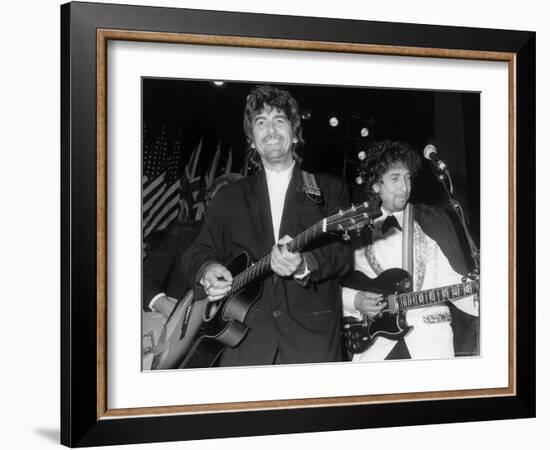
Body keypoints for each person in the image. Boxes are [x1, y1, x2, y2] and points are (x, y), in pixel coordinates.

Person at [181, 85, 351, 367]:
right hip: (242, 347)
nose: (270, 130)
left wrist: (304, 264)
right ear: (252, 139)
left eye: (279, 121)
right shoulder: (229, 196)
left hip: (311, 346)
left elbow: (343, 256)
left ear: (295, 134)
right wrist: (207, 270)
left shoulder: (329, 189)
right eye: (261, 122)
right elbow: (196, 251)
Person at [342, 140, 479, 361]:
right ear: (376, 185)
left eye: (407, 178)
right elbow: (331, 289)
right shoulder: (354, 231)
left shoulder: (434, 220)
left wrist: (483, 298)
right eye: (395, 178)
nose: (404, 187)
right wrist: (355, 300)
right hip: (376, 348)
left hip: (430, 344)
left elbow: (451, 280)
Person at [142, 173, 242, 369]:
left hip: (212, 354)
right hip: (162, 334)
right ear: (208, 204)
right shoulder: (184, 232)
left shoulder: (249, 250)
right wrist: (166, 308)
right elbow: (142, 277)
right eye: (219, 201)